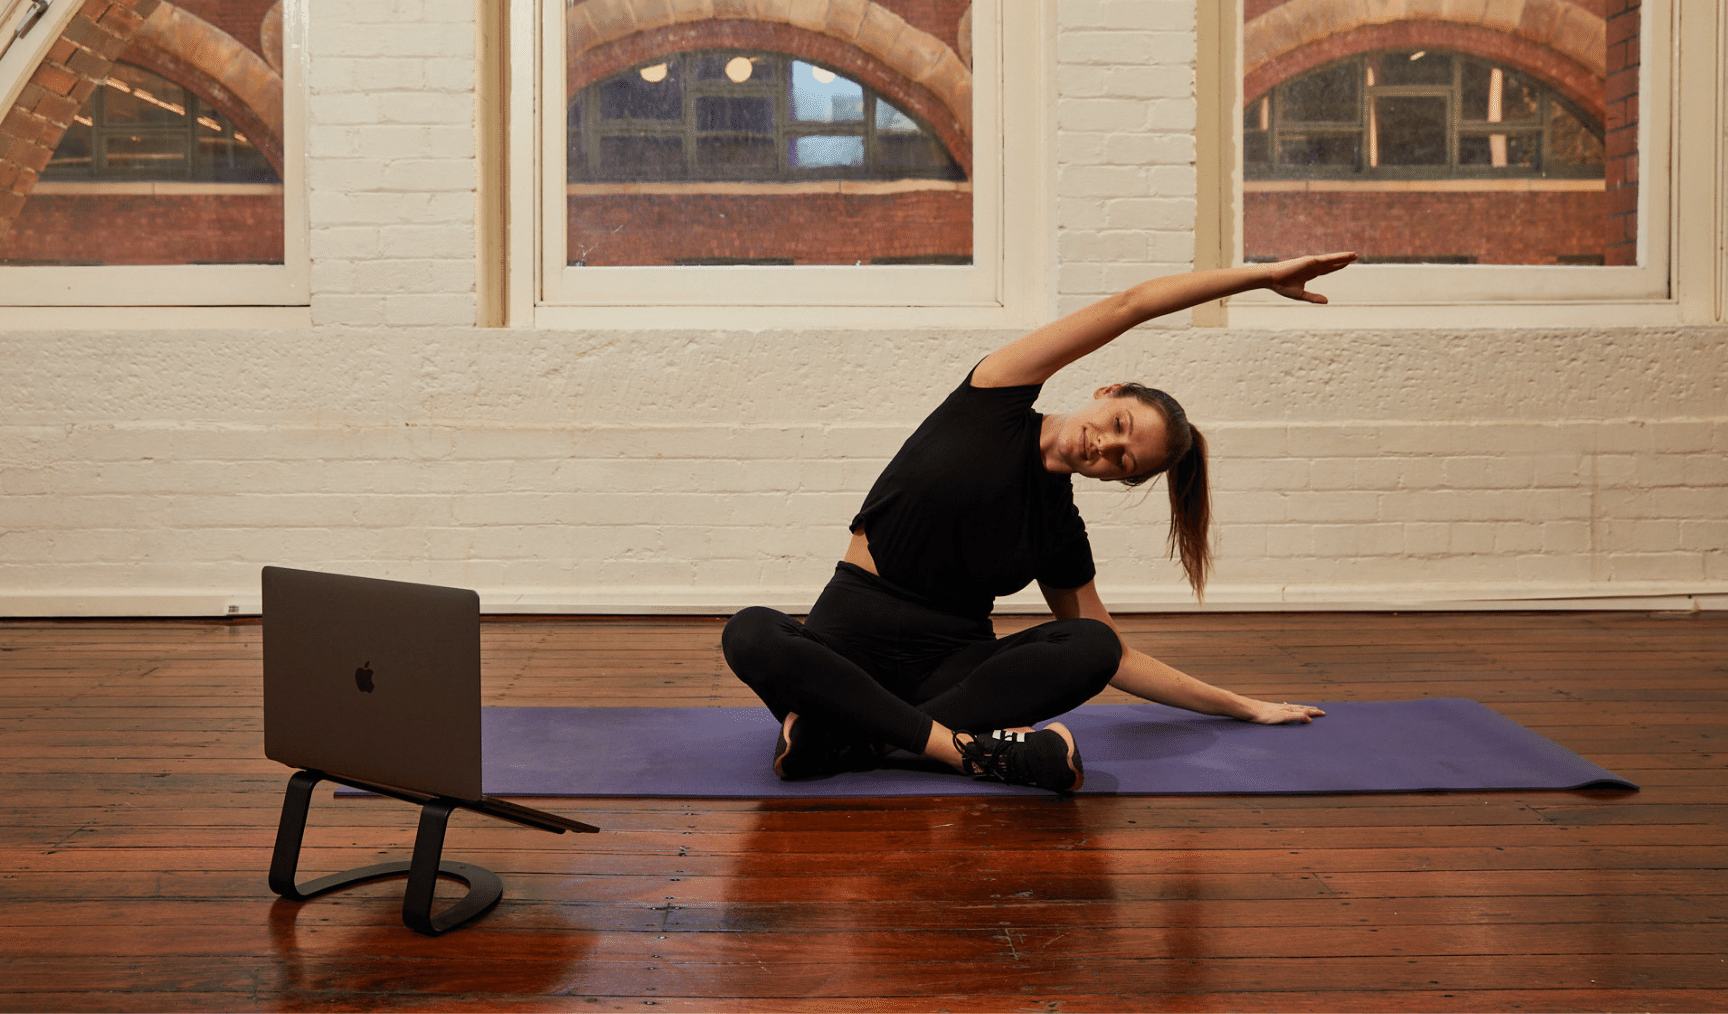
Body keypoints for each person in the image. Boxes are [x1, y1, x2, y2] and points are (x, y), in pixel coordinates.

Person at [722, 253, 1358, 794]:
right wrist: (1257, 277)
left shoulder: (1058, 526)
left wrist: (1243, 707)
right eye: (1118, 426)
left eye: (1123, 460)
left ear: (1120, 480)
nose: (1104, 448)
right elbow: (1132, 304)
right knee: (750, 633)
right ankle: (960, 750)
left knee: (1092, 646)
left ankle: (841, 739)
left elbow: (1116, 656)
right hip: (843, 648)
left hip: (951, 673)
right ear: (1108, 391)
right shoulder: (996, 394)